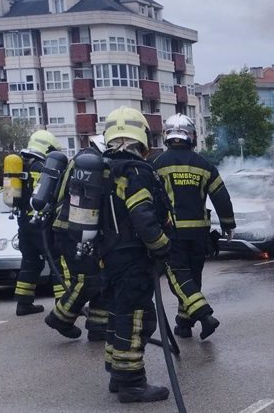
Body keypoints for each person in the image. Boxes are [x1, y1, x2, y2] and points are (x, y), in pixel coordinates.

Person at [100, 106, 171, 403]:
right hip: (132, 259)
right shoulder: (138, 171)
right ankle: (132, 383)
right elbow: (142, 215)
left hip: (108, 257)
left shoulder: (102, 168)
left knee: (118, 315)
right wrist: (162, 246)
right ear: (141, 136)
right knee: (138, 318)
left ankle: (117, 375)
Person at [152, 113, 235, 341]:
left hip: (172, 232)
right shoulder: (204, 165)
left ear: (167, 135)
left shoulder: (156, 165)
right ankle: (184, 323)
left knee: (179, 279)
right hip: (199, 233)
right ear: (191, 136)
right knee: (193, 278)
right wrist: (228, 225)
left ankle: (204, 315)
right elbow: (222, 198)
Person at [44, 135, 108, 341]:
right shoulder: (90, 166)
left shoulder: (78, 163)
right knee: (87, 279)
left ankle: (98, 326)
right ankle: (60, 317)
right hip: (73, 231)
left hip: (72, 230)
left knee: (100, 277)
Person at [13, 130, 62, 316]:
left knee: (30, 262)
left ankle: (23, 304)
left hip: (23, 222)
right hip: (41, 223)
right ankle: (62, 306)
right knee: (57, 261)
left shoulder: (20, 165)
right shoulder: (42, 167)